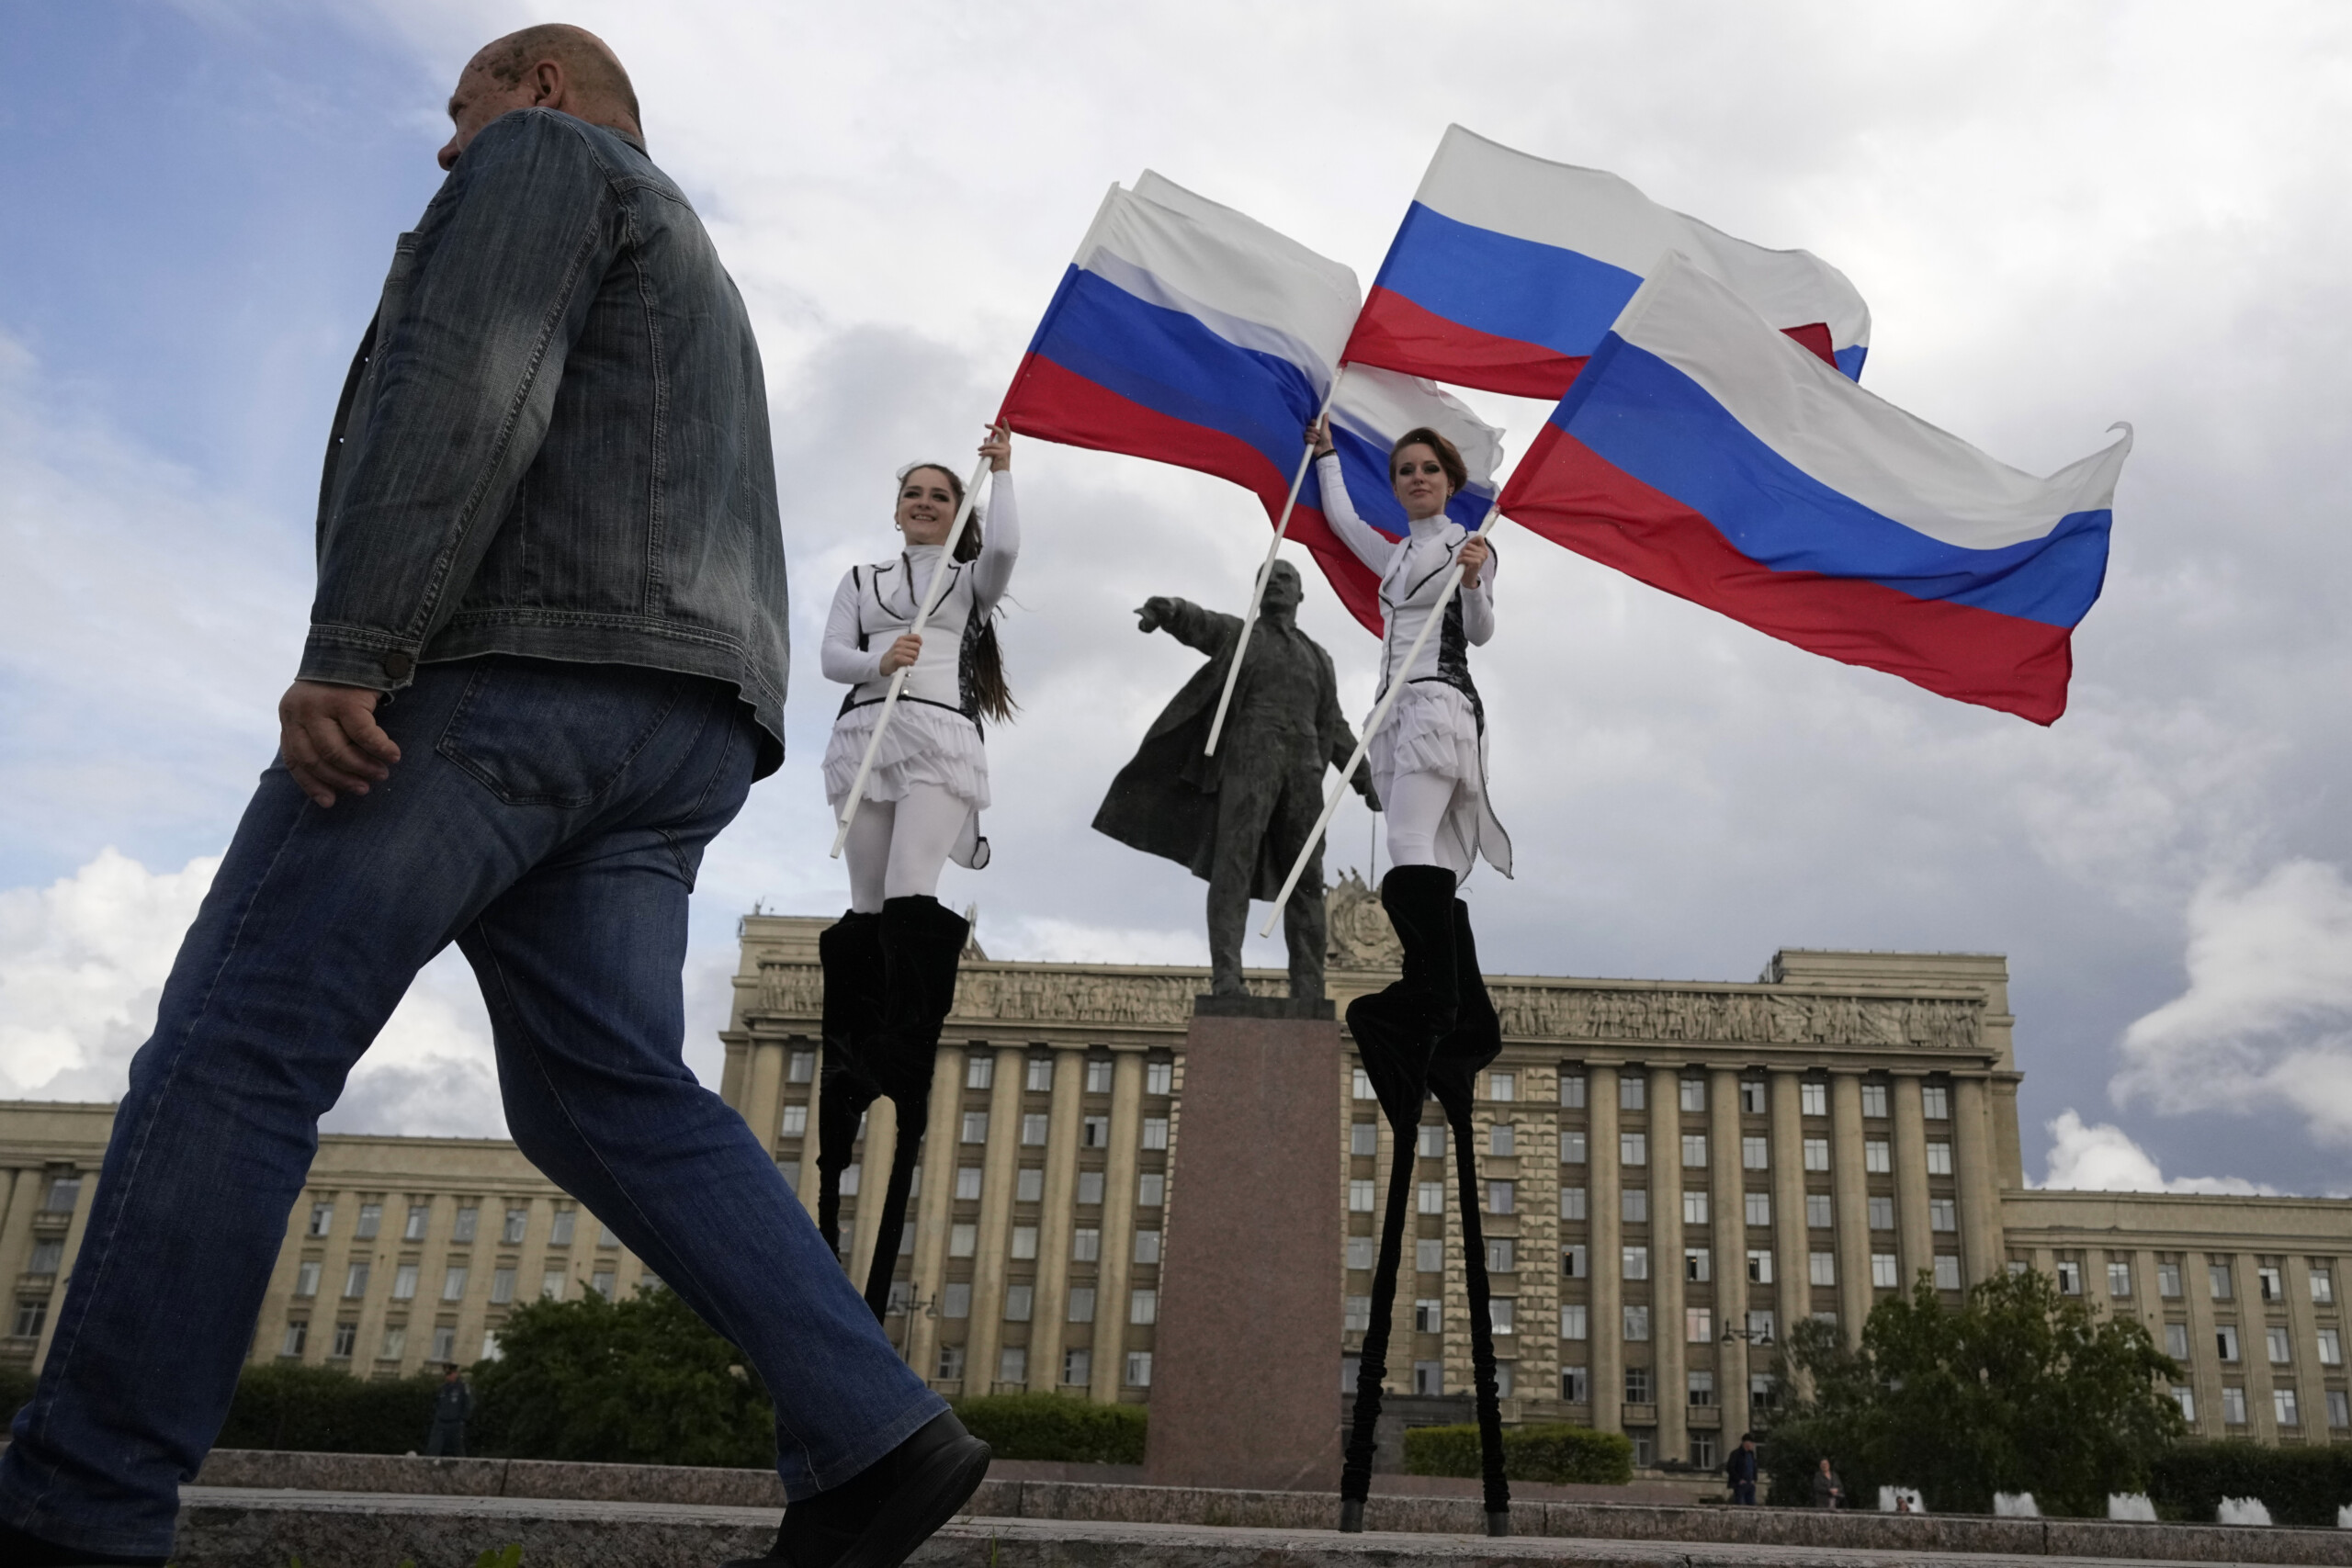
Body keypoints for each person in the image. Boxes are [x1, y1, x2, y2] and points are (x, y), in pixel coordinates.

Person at [0, 26, 986, 1568]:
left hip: (512, 678)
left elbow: (470, 381)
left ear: (537, 87)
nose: (445, 149)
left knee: (238, 1043)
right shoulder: (702, 268)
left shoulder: (548, 159)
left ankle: (78, 1501)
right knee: (602, 1085)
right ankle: (875, 1430)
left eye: (457, 113)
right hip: (682, 730)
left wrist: (355, 641)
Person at [1317, 423, 1513, 1537]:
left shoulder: (1462, 545)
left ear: (1453, 482)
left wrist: (1477, 573)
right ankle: (1456, 1006)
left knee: (1405, 866)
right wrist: (1317, 453)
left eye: (1429, 471)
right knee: (1428, 869)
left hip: (1435, 708)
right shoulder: (1396, 547)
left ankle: (1433, 1002)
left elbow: (1478, 631)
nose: (1416, 482)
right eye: (1405, 472)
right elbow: (1342, 524)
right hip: (1399, 717)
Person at [814, 430, 1016, 1314]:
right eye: (915, 494)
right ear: (897, 508)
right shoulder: (863, 580)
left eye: (941, 494)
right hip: (866, 726)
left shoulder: (965, 580)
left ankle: (903, 1040)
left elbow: (1004, 552)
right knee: (863, 903)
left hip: (936, 731)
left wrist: (1001, 475)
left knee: (908, 888)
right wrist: (877, 660)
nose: (926, 503)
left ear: (956, 509)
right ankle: (855, 1047)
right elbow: (832, 655)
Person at [1091, 559, 1376, 1007]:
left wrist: (1364, 779)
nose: (1277, 583)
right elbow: (1200, 623)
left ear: (1300, 595)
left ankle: (1309, 988)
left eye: (1286, 578)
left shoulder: (1319, 658)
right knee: (1233, 867)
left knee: (1306, 878)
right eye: (1268, 578)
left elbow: (1334, 725)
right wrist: (1167, 610)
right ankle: (1227, 978)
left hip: (1303, 774)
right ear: (1258, 591)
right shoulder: (1243, 637)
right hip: (1250, 760)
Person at [424, 1366, 472, 1458]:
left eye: (450, 1373)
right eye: (447, 1374)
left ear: (455, 1374)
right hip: (441, 1422)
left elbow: (467, 1405)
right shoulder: (442, 1388)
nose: (448, 1376)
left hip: (456, 1422)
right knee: (434, 1448)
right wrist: (437, 1416)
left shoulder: (462, 1388)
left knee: (458, 1449)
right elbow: (435, 1404)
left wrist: (463, 1419)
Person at [1725, 1432, 1759, 1506]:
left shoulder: (1751, 1455)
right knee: (1740, 1504)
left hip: (1750, 1484)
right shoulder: (1736, 1454)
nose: (1753, 1445)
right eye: (1752, 1443)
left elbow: (1754, 1467)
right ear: (1746, 1443)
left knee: (1752, 1505)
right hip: (1740, 1485)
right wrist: (1739, 1480)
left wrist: (1754, 1479)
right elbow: (1730, 1468)